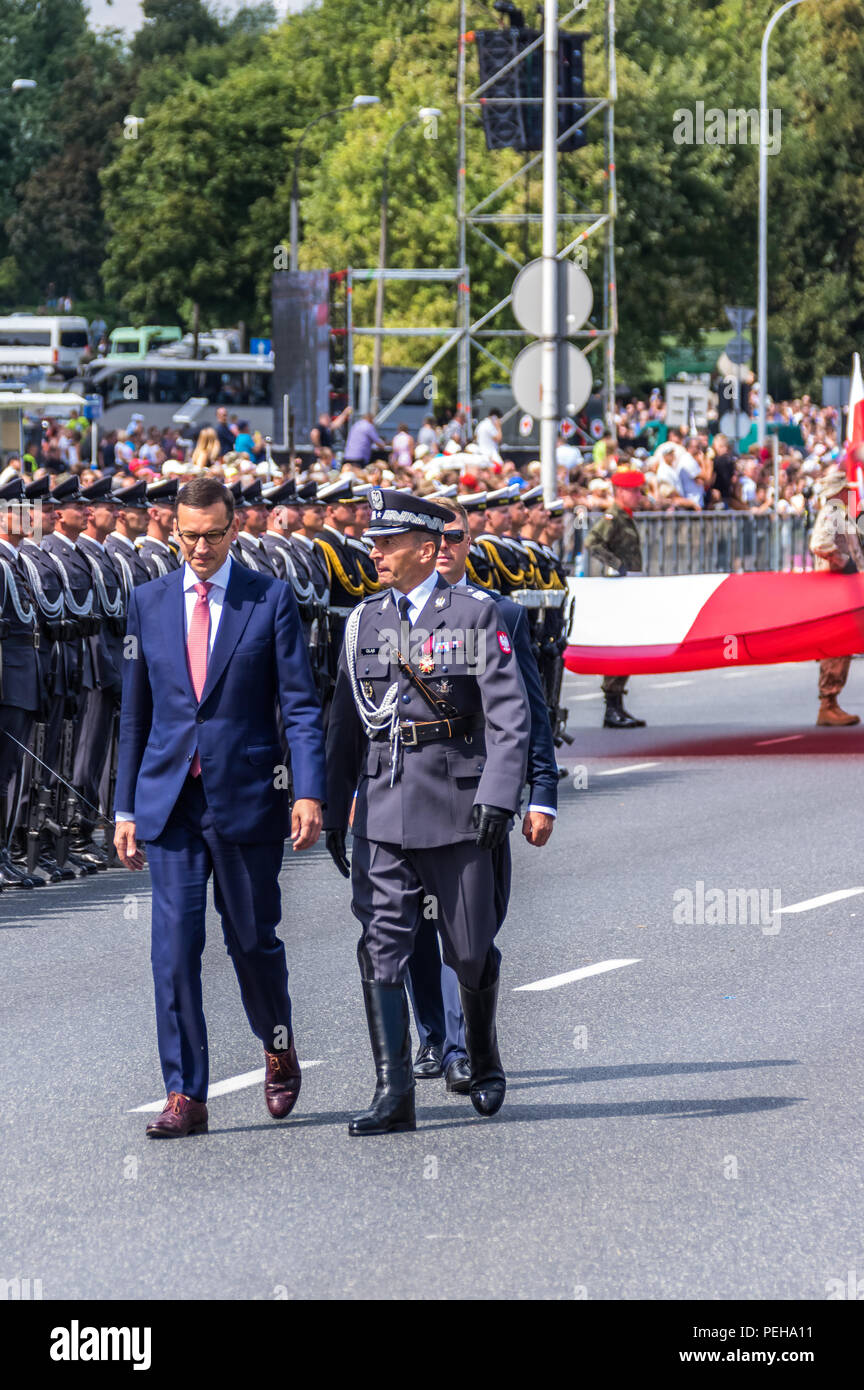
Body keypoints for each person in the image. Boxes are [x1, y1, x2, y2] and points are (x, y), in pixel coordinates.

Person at [114, 476, 326, 1138]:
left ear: (233, 529)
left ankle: (277, 1044)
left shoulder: (268, 599)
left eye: (212, 535)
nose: (199, 548)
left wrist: (310, 791)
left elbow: (298, 703)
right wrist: (124, 808)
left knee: (252, 941)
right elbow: (134, 715)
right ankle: (185, 1094)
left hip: (246, 798)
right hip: (171, 801)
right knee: (173, 951)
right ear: (170, 529)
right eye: (188, 535)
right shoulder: (148, 602)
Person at [323, 488, 530, 1135]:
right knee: (381, 945)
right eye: (374, 542)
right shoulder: (365, 621)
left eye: (387, 543)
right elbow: (345, 722)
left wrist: (499, 796)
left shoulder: (472, 615)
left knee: (468, 948)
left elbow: (509, 713)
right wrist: (334, 809)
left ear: (425, 547)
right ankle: (394, 1093)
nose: (376, 552)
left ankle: (484, 1056)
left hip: (456, 803)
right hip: (384, 806)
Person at [404, 497, 558, 1093]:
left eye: (455, 537)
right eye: (434, 537)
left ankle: (465, 1044)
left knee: (468, 931)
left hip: (474, 799)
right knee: (412, 927)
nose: (444, 547)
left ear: (470, 543)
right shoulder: (388, 614)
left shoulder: (500, 614)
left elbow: (528, 714)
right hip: (405, 798)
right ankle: (432, 1036)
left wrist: (540, 792)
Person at [584, 468, 647, 729]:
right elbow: (592, 542)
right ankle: (612, 707)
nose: (638, 495)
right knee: (619, 643)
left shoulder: (625, 516)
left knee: (627, 643)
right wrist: (616, 564)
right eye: (633, 491)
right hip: (618, 585)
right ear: (620, 492)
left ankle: (618, 705)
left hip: (628, 584)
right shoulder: (614, 516)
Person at [809, 469, 864, 726]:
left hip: (846, 588)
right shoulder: (833, 509)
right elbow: (819, 544)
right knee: (837, 647)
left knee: (843, 646)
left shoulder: (842, 511)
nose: (850, 491)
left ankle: (831, 702)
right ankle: (828, 704)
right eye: (847, 488)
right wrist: (843, 562)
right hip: (836, 588)